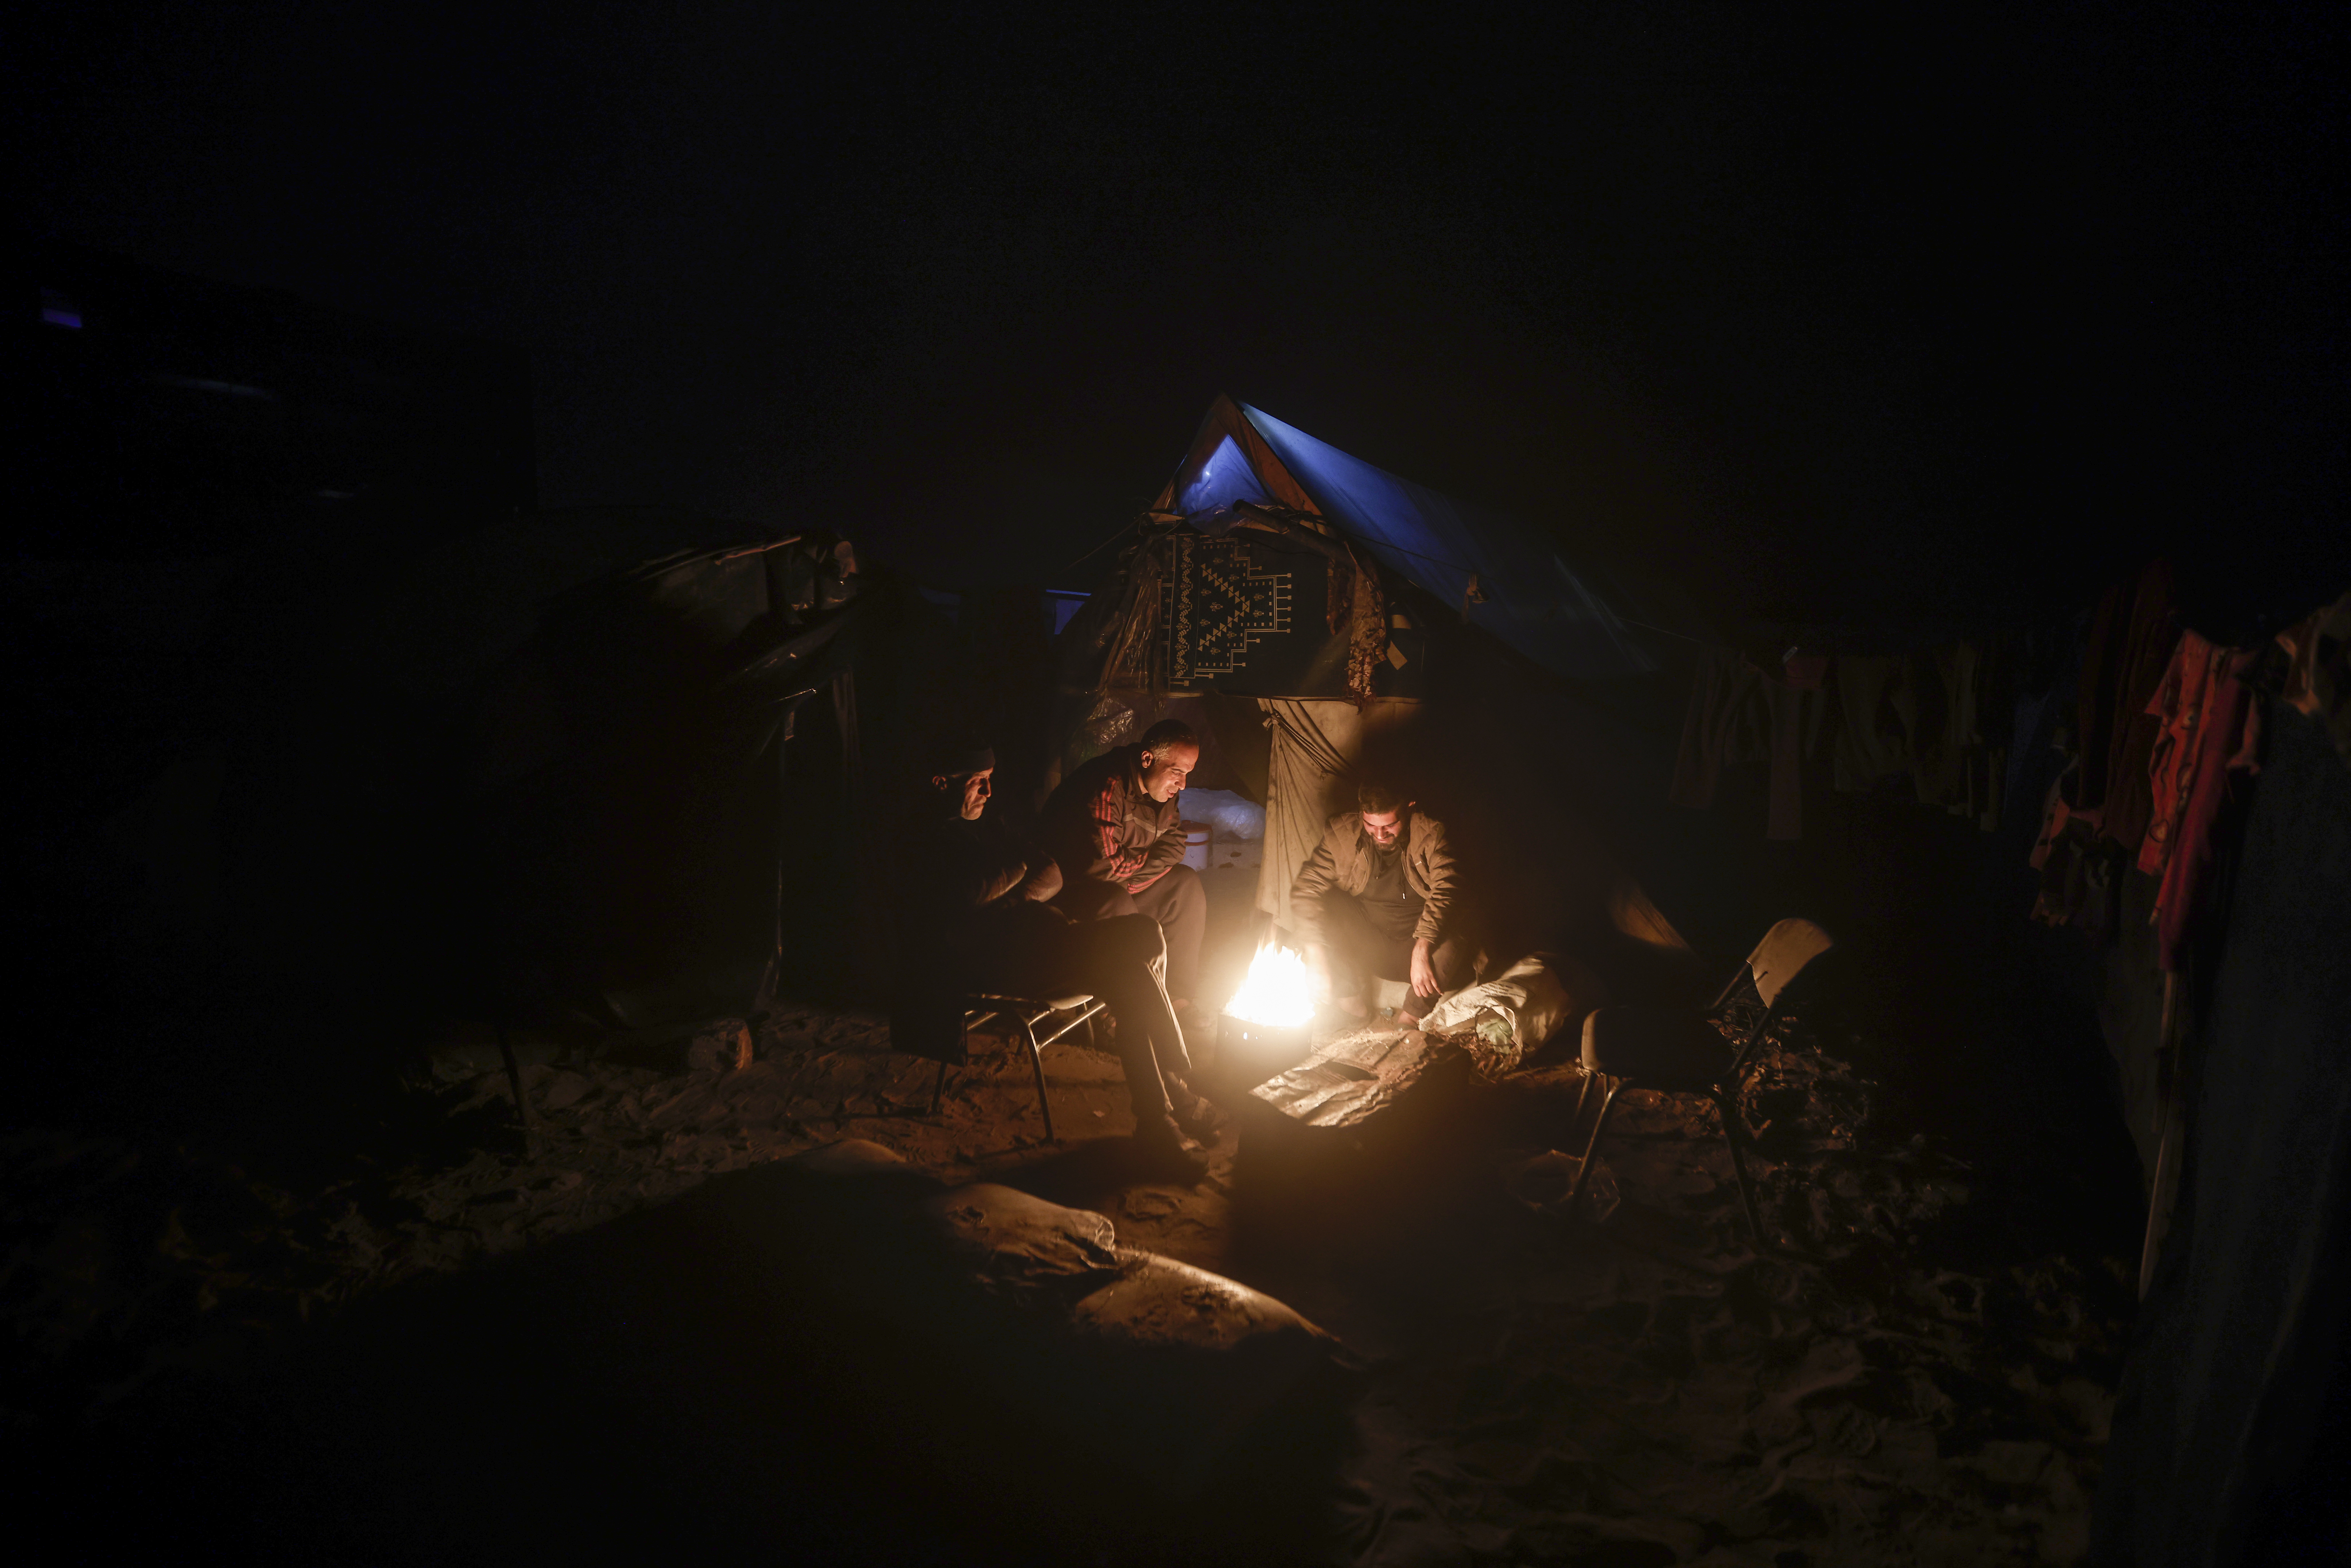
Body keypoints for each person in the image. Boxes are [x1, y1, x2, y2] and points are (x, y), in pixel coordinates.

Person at [903, 743, 1221, 1177]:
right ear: (942, 784)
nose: (989, 792)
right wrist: (1018, 873)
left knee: (1141, 941)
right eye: (977, 783)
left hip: (1040, 938)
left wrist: (1009, 893)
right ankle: (1169, 1099)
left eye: (990, 781)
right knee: (1130, 961)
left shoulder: (990, 826)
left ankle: (1162, 1109)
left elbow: (1050, 873)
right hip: (998, 961)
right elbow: (968, 896)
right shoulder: (928, 840)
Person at [1039, 719, 1208, 1014]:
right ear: (1147, 759)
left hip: (1124, 885)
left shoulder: (1163, 792)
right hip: (1072, 894)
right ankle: (1121, 1010)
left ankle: (1175, 998)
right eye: (1177, 772)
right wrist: (1140, 864)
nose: (1182, 784)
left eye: (1187, 774)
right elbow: (1102, 869)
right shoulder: (1105, 787)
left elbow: (1175, 844)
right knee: (1114, 900)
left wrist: (1131, 872)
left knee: (1185, 884)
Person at [1291, 777, 1477, 1024]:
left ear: (1409, 808)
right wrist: (1315, 953)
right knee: (1329, 902)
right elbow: (1306, 889)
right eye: (1371, 824)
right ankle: (1351, 1005)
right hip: (1374, 948)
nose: (1380, 834)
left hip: (1425, 956)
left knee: (1462, 918)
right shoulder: (1342, 834)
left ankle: (1410, 1017)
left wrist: (1423, 947)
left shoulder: (1432, 834)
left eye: (1390, 825)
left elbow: (1448, 889)